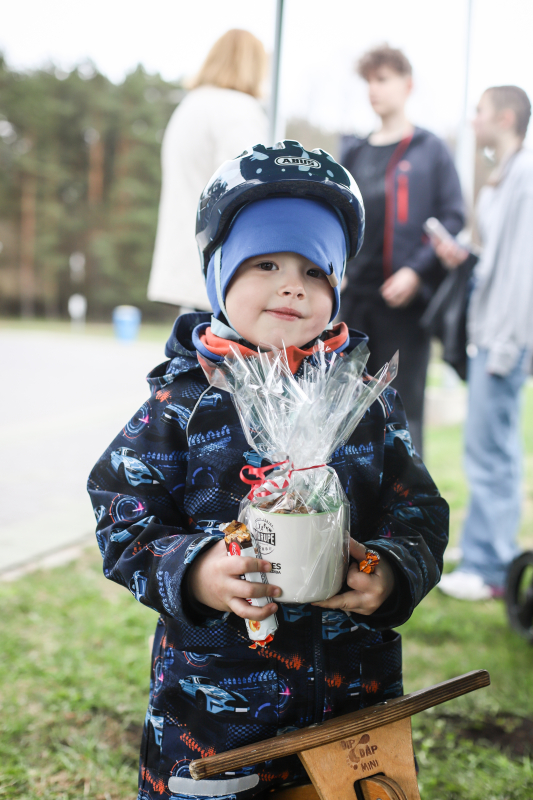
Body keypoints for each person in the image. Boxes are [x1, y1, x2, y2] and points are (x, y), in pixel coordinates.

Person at [88, 141, 448, 799]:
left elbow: (418, 510)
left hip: (350, 708)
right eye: (265, 263)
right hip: (216, 720)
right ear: (218, 274)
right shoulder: (183, 402)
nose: (292, 285)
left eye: (316, 271)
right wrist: (193, 570)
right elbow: (120, 512)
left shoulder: (363, 400)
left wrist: (386, 571)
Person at [340, 44, 464, 456]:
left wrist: (416, 270)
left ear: (406, 85)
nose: (374, 89)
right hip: (353, 304)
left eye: (383, 79)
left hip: (405, 309)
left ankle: (407, 514)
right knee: (346, 416)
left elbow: (452, 217)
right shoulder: (354, 151)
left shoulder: (430, 150)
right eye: (368, 81)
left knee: (402, 419)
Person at [435, 86, 533, 601]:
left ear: (507, 116)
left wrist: (506, 344)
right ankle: (483, 551)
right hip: (493, 334)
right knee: (487, 447)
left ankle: (490, 566)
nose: (473, 122)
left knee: (490, 452)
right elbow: (496, 259)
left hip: (503, 339)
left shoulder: (525, 177)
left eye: (480, 112)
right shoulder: (504, 176)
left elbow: (522, 270)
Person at [147, 29, 268, 311]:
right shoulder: (238, 109)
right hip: (223, 264)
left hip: (189, 256)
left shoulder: (190, 105)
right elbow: (251, 186)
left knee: (192, 347)